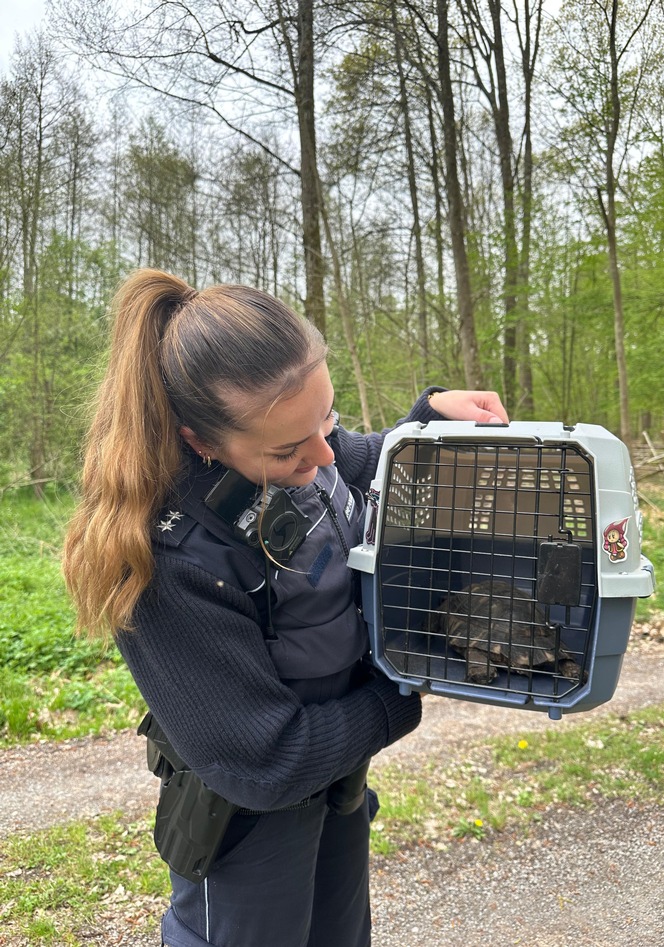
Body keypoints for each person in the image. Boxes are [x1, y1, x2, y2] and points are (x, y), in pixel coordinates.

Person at [62, 268, 509, 947]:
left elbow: (359, 461)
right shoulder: (165, 560)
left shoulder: (298, 448)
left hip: (337, 776)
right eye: (288, 448)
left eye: (325, 416)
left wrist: (424, 422)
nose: (323, 454)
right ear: (201, 442)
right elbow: (266, 762)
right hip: (247, 819)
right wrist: (403, 689)